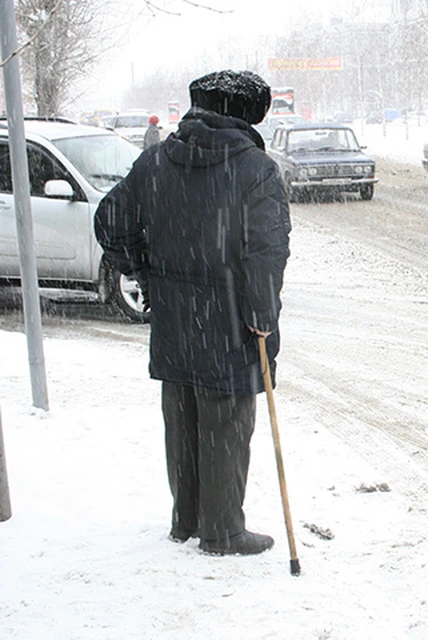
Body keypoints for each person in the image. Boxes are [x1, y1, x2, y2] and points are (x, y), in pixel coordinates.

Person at [94, 70, 291, 556]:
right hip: (227, 321)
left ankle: (186, 520)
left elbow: (111, 222)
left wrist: (143, 267)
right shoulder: (255, 170)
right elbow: (264, 255)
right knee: (224, 424)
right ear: (244, 115)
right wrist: (262, 320)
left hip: (174, 318)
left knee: (181, 418)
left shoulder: (156, 161)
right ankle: (222, 531)